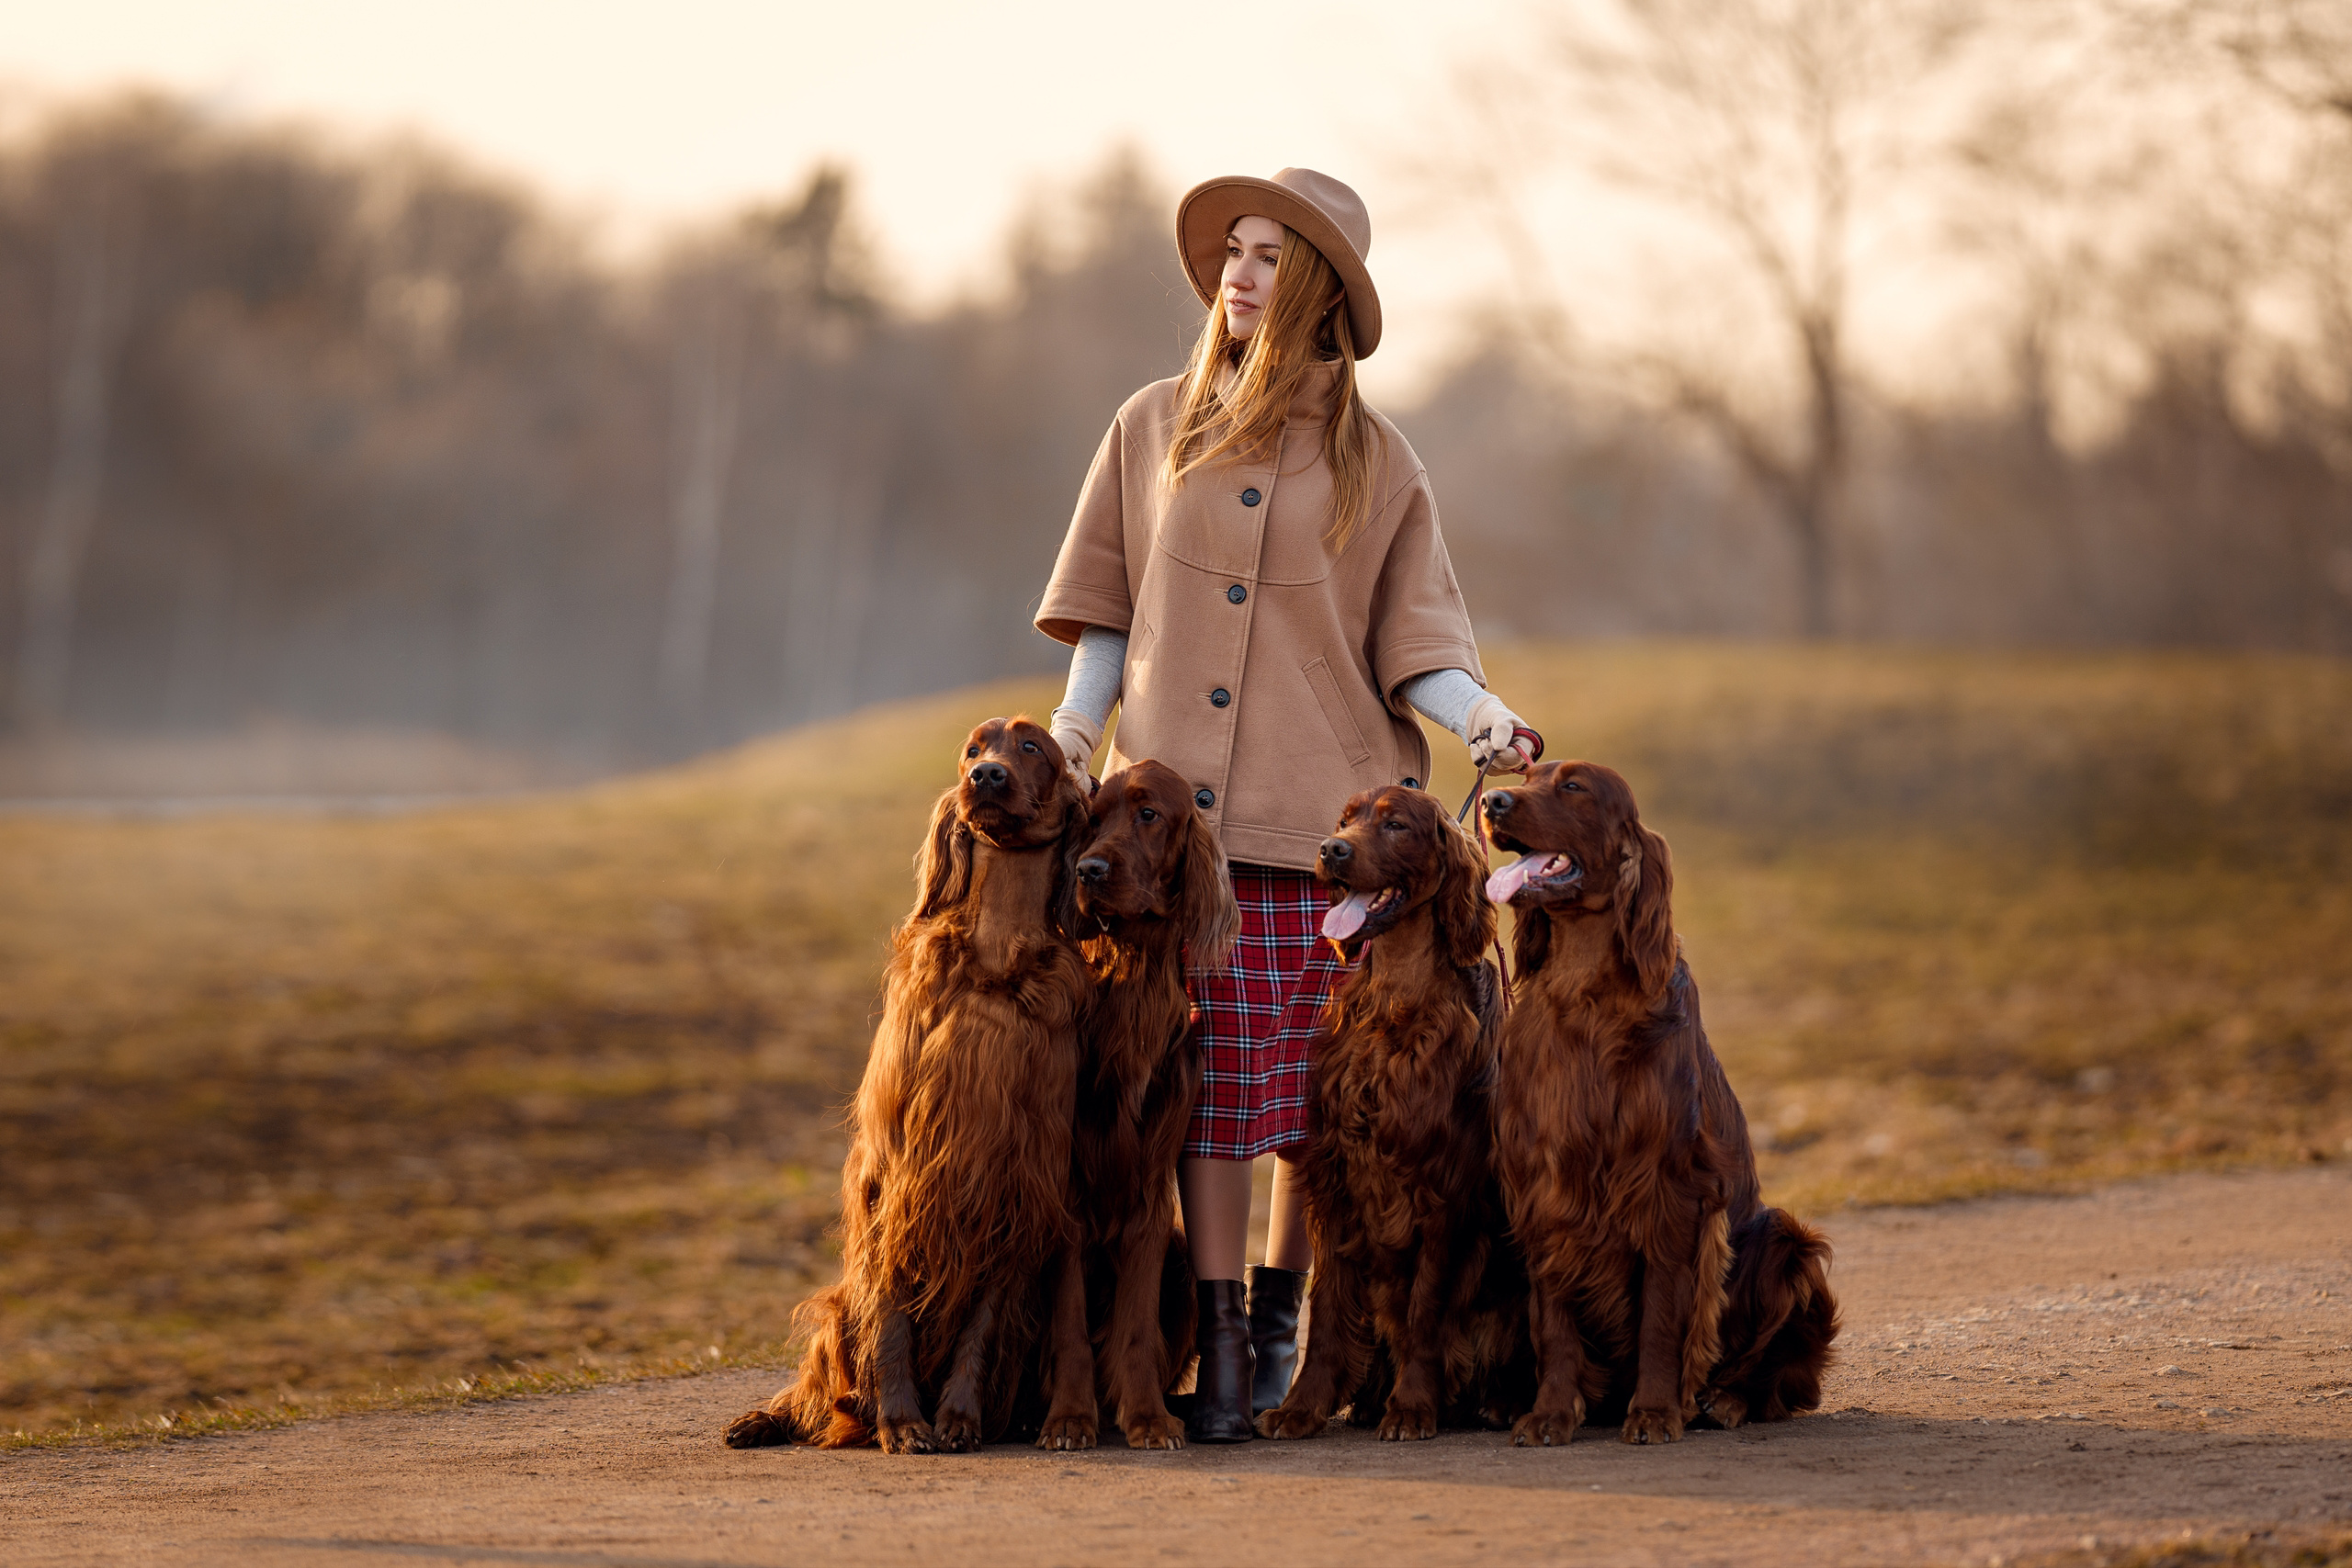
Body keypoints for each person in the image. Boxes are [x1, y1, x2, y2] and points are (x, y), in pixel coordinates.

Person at [1035, 167, 1536, 1444]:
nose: (1239, 276)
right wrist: (1075, 735)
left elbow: (1415, 638)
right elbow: (1104, 615)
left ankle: (1280, 1323)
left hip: (1324, 838)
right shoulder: (1152, 425)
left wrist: (1478, 715)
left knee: (1312, 1100)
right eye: (1234, 253)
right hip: (1168, 849)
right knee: (1197, 1085)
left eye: (1271, 258)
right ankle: (1208, 1330)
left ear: (1317, 288)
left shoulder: (1379, 459)